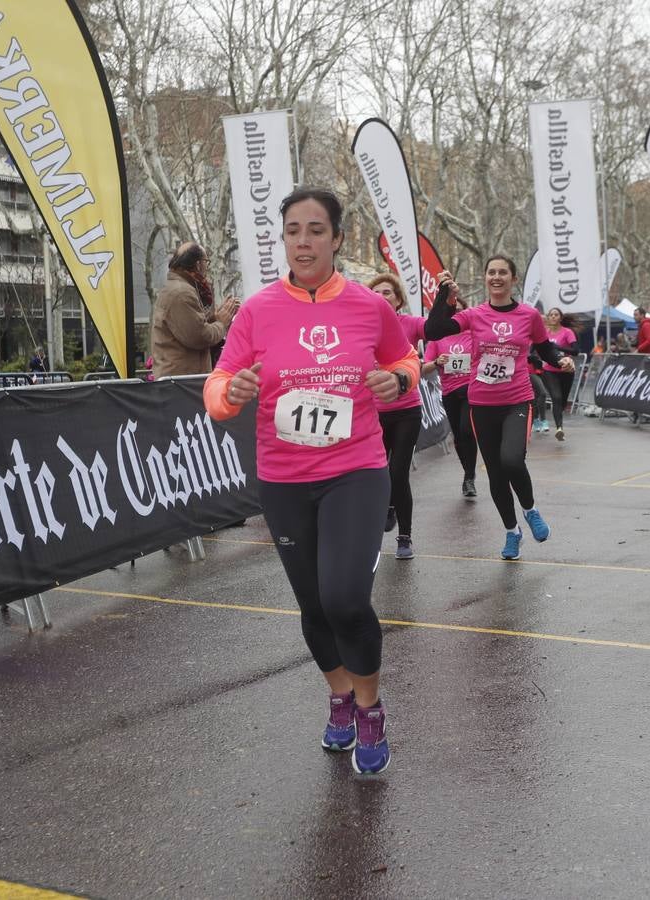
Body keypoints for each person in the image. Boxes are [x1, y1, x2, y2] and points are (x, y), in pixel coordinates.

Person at [205, 187, 418, 775]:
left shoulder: (368, 307)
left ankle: (371, 709)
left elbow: (406, 362)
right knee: (313, 605)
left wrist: (395, 384)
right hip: (285, 477)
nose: (303, 241)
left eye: (316, 230)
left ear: (337, 239)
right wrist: (231, 394)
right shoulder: (257, 310)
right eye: (293, 230)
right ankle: (340, 697)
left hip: (355, 470)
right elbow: (218, 384)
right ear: (284, 238)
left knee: (345, 598)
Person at [425, 257, 574, 561]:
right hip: (481, 404)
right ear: (485, 278)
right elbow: (434, 329)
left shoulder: (529, 315)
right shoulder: (474, 314)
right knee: (495, 473)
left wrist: (559, 360)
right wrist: (445, 294)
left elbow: (544, 347)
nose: (496, 277)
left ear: (513, 279)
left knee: (512, 461)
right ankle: (512, 532)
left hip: (516, 399)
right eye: (491, 272)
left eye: (502, 272)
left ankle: (530, 510)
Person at [368, 274, 431, 560]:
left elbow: (434, 327)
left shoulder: (410, 324)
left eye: (388, 292)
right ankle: (387, 508)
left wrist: (443, 299)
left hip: (407, 410)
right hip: (374, 413)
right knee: (378, 474)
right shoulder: (362, 328)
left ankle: (404, 538)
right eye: (376, 292)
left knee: (398, 472)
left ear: (398, 298)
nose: (382, 296)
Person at [152, 242, 239, 378]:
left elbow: (192, 326)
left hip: (180, 380)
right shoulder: (182, 293)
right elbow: (200, 337)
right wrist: (222, 323)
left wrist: (215, 317)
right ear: (198, 264)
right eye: (206, 262)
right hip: (182, 383)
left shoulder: (179, 287)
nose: (207, 267)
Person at [425, 324, 478, 499]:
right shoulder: (437, 339)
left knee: (467, 430)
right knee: (458, 436)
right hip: (449, 393)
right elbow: (424, 368)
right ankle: (467, 473)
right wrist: (436, 362)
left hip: (471, 390)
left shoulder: (473, 334)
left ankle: (470, 477)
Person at [539, 307, 577, 440]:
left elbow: (576, 351)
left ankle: (559, 418)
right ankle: (559, 428)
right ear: (548, 318)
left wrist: (557, 348)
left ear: (560, 318)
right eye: (551, 315)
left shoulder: (567, 332)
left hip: (567, 370)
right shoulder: (545, 333)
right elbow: (536, 348)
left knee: (562, 401)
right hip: (550, 371)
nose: (553, 317)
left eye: (556, 315)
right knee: (556, 398)